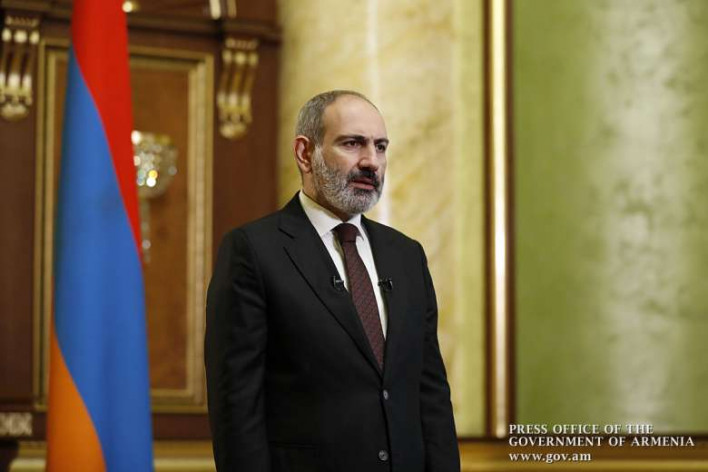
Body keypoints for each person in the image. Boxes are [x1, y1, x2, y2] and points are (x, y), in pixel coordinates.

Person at [205, 90, 460, 472]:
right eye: (352, 143)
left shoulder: (406, 255)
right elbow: (236, 406)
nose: (371, 161)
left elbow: (431, 392)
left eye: (380, 146)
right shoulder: (254, 251)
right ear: (305, 153)